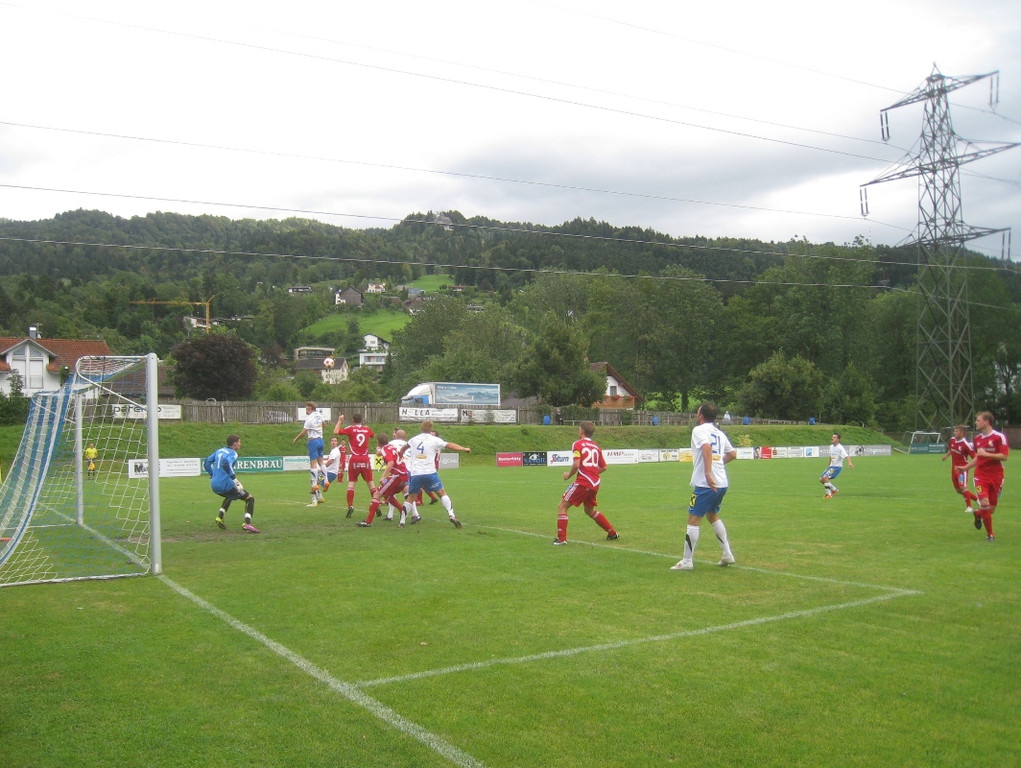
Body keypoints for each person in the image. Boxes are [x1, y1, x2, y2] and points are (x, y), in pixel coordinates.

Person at [671, 402, 735, 570]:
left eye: (698, 412)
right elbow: (732, 454)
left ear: (701, 415)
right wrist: (718, 466)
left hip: (706, 484)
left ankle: (687, 561)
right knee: (712, 515)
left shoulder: (699, 430)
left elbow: (706, 447)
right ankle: (727, 554)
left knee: (693, 519)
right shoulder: (719, 433)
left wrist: (708, 472)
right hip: (722, 483)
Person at [553, 420, 619, 545]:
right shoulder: (596, 446)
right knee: (589, 511)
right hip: (595, 483)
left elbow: (576, 464)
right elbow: (604, 467)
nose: (578, 431)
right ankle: (612, 533)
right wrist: (592, 472)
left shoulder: (577, 444)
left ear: (582, 431)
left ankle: (561, 539)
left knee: (562, 506)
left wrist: (568, 475)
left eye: (579, 429)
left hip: (583, 482)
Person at [404, 420, 471, 528]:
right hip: (430, 472)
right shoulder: (434, 440)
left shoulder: (414, 439)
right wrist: (463, 449)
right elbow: (449, 445)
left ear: (421, 428)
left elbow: (404, 447)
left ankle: (402, 522)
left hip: (416, 473)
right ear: (431, 429)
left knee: (411, 497)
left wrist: (400, 454)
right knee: (441, 493)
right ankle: (451, 514)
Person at [963, 411, 1009, 542]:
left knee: (991, 509)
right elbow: (978, 457)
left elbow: (1004, 456)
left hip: (997, 476)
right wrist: (966, 467)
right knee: (984, 503)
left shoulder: (999, 437)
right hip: (980, 476)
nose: (976, 422)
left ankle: (978, 514)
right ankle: (990, 535)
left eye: (978, 420)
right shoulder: (977, 439)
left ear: (986, 422)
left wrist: (987, 454)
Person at [204, 434, 259, 533]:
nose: (240, 444)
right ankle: (247, 524)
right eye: (239, 442)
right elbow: (226, 463)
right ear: (234, 443)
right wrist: (235, 481)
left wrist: (212, 474)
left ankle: (220, 517)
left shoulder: (219, 450)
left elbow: (207, 462)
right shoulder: (233, 453)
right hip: (225, 484)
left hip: (214, 485)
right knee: (249, 498)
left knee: (230, 495)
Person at [358, 430, 411, 527]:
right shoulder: (391, 447)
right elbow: (381, 453)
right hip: (404, 475)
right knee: (387, 495)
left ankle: (368, 521)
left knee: (377, 494)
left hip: (397, 475)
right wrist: (379, 451)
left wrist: (383, 476)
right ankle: (402, 511)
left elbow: (391, 462)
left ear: (378, 442)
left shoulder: (385, 449)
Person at [334, 412, 377, 517]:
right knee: (371, 484)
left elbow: (336, 431)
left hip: (354, 459)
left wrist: (340, 420)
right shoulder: (367, 429)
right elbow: (373, 436)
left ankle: (350, 506)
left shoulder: (350, 429)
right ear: (361, 420)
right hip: (365, 459)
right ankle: (376, 504)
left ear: (353, 421)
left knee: (351, 484)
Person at [292, 401, 330, 507]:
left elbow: (304, 432)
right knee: (321, 462)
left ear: (312, 409)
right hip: (321, 440)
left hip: (313, 441)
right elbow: (324, 424)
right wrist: (318, 429)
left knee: (313, 464)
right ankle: (326, 481)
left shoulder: (309, 419)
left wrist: (296, 439)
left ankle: (314, 485)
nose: (306, 411)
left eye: (308, 409)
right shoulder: (319, 415)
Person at [941, 425, 978, 514]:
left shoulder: (966, 444)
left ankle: (969, 507)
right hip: (953, 469)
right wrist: (946, 456)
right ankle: (977, 499)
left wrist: (967, 467)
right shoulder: (952, 440)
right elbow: (951, 449)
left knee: (963, 487)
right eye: (954, 431)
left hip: (962, 470)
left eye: (956, 431)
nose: (954, 433)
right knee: (958, 490)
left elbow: (975, 457)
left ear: (962, 433)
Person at [820, 432, 853, 498]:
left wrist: (849, 463)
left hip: (837, 467)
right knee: (821, 479)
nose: (832, 438)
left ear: (838, 440)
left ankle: (828, 494)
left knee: (825, 477)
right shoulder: (831, 447)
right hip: (831, 467)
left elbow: (847, 456)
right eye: (832, 437)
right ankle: (834, 489)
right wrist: (829, 464)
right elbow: (831, 456)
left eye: (834, 437)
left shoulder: (840, 448)